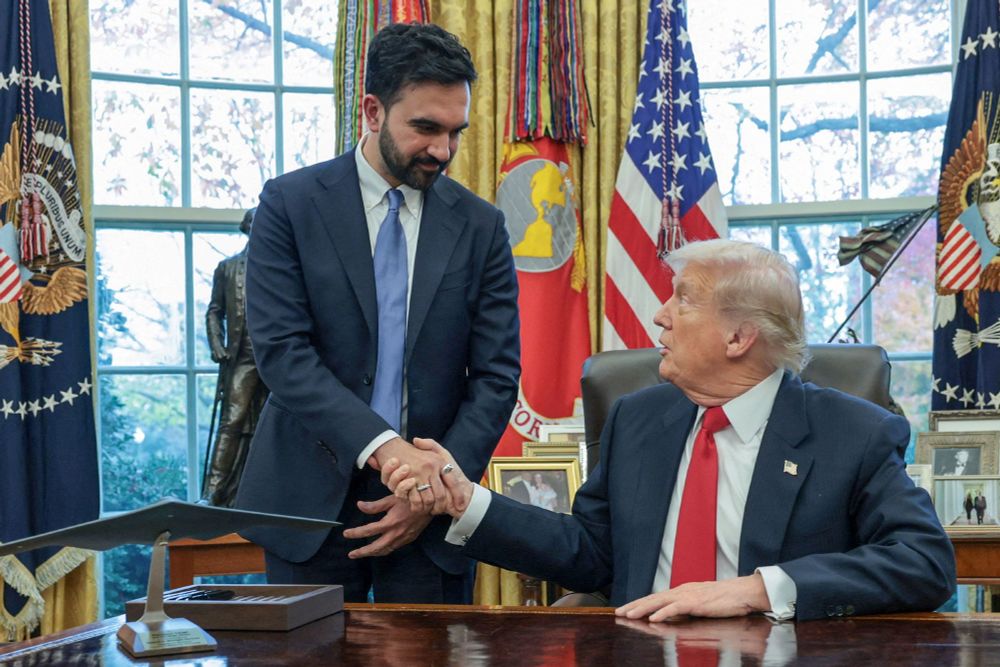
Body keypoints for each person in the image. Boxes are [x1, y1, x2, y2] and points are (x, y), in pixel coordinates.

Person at [385, 239, 956, 621]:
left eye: (682, 299)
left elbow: (925, 562)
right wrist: (469, 503)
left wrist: (756, 589)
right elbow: (592, 553)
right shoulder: (639, 419)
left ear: (739, 339)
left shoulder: (852, 432)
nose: (659, 315)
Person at [233, 22, 521, 604]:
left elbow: (495, 376)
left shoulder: (482, 226)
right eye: (425, 128)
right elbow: (284, 356)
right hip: (307, 505)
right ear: (371, 110)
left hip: (433, 510)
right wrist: (389, 451)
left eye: (455, 132)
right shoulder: (289, 205)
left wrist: (430, 485)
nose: (443, 150)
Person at [202, 208, 269, 507]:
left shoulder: (281, 269)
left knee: (275, 426)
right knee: (231, 422)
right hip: (241, 357)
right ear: (246, 228)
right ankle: (213, 494)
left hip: (277, 360)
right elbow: (214, 311)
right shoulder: (226, 268)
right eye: (255, 224)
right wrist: (217, 344)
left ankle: (269, 493)